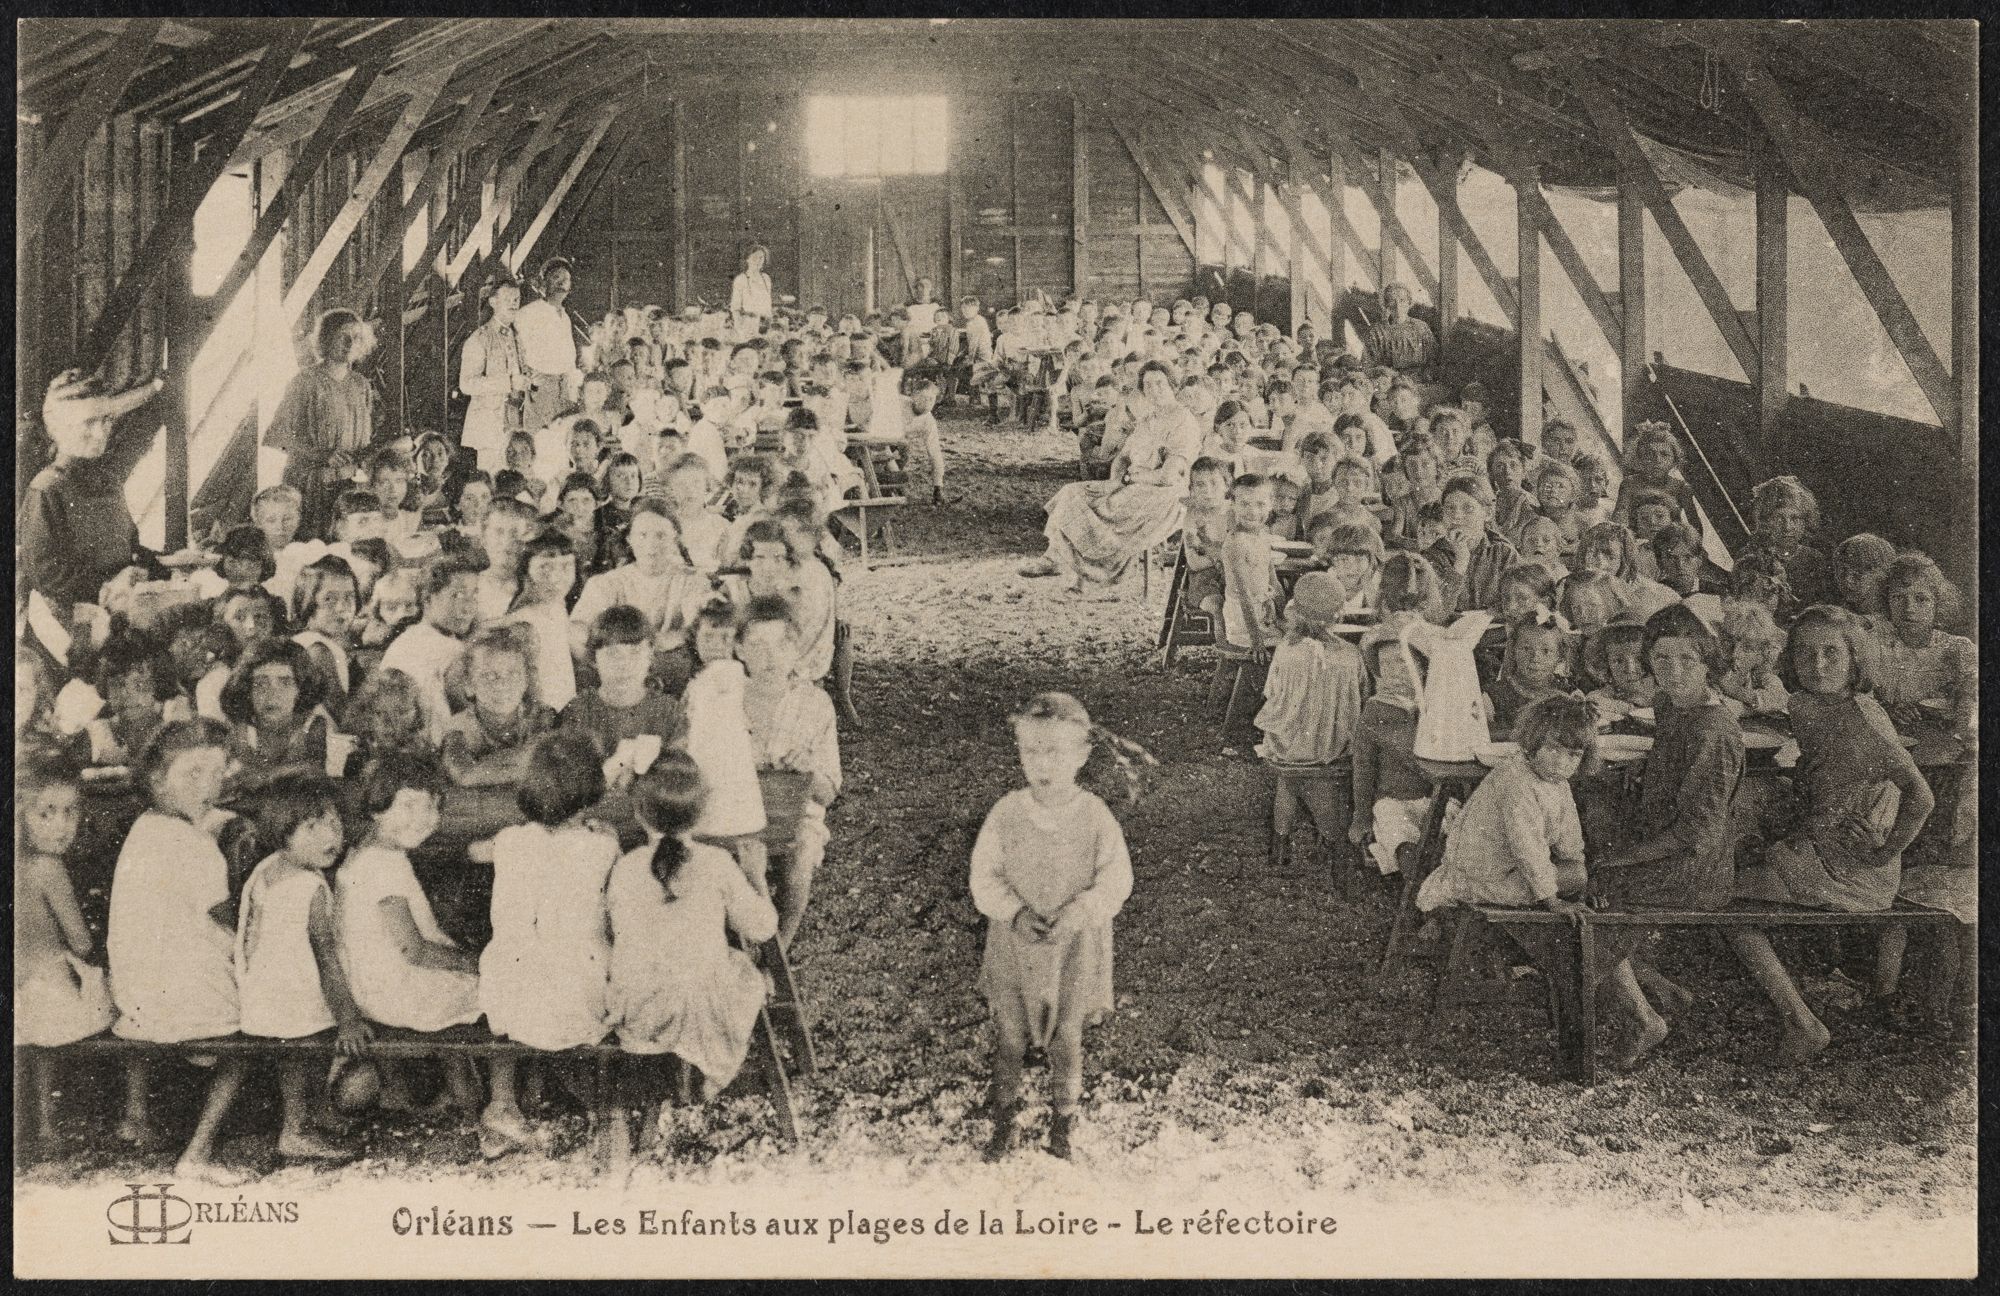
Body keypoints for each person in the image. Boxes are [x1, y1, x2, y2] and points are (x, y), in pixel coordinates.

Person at [972, 693, 1138, 1161]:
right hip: (1015, 942)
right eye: (1031, 751)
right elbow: (984, 875)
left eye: (1055, 752)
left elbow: (1116, 879)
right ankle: (1003, 1118)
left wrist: (1080, 911)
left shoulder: (1095, 816)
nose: (1042, 763)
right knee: (1008, 1035)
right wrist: (1014, 912)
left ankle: (1063, 1119)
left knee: (1067, 1034)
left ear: (1082, 754)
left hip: (1073, 944)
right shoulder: (1006, 813)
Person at [108, 719, 252, 1183]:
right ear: (156, 779)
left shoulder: (145, 828)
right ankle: (199, 1151)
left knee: (157, 976)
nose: (209, 785)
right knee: (252, 1036)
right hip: (186, 997)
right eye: (193, 773)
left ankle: (134, 1116)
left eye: (216, 772)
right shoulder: (196, 849)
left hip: (133, 993)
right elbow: (224, 916)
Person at [607, 756, 777, 1150]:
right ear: (703, 816)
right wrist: (756, 874)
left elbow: (616, 933)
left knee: (670, 966)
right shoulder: (717, 863)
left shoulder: (626, 866)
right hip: (706, 1012)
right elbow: (763, 928)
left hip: (641, 1011)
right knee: (740, 968)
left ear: (639, 813)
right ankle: (698, 1073)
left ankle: (665, 1079)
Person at [1737, 606, 1933, 926]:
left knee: (1718, 889)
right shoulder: (1801, 702)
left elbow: (1922, 798)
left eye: (1831, 652)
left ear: (1854, 657)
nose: (1817, 665)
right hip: (1817, 837)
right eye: (1804, 653)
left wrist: (1881, 854)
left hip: (1854, 867)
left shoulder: (1865, 720)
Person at [469, 732, 618, 1153]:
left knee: (508, 967)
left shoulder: (510, 841)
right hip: (580, 1002)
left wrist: (513, 835)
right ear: (591, 794)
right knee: (583, 954)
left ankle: (501, 1102)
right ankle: (601, 1103)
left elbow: (474, 852)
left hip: (510, 1002)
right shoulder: (603, 844)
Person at [336, 752, 483, 1112]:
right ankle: (473, 1094)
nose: (425, 819)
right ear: (376, 807)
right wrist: (475, 963)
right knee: (492, 986)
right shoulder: (382, 867)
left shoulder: (369, 852)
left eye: (432, 807)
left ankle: (416, 1089)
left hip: (370, 985)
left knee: (459, 976)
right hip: (392, 991)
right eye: (409, 806)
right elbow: (413, 950)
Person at [234, 774, 369, 1161]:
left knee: (304, 1049)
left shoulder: (268, 867)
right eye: (312, 827)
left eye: (334, 824)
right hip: (289, 1004)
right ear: (282, 831)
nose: (329, 837)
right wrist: (348, 1019)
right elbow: (326, 956)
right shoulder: (309, 888)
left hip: (261, 995)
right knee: (306, 1047)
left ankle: (315, 1114)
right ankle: (295, 1130)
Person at [18, 368, 167, 668]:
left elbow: (129, 547)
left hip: (116, 612)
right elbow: (46, 573)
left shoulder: (108, 482)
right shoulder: (46, 489)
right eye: (89, 422)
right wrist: (107, 586)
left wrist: (155, 569)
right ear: (57, 428)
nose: (101, 432)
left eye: (106, 419)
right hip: (68, 628)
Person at [1020, 360, 1204, 593]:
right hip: (1133, 483)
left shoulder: (1183, 421)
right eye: (1148, 385)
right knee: (1073, 492)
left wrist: (1130, 480)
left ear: (1173, 386)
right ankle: (1055, 557)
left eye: (1160, 384)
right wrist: (1113, 482)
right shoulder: (1149, 419)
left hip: (1166, 494)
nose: (1154, 390)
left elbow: (1168, 476)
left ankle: (1087, 575)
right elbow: (1123, 458)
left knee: (1108, 506)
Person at [16, 756, 116, 1140]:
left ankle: (44, 1124)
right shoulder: (48, 869)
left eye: (70, 812)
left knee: (39, 1048)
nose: (61, 826)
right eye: (46, 814)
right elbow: (80, 940)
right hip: (53, 995)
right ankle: (93, 1112)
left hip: (22, 992)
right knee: (110, 995)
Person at [738, 597, 841, 948]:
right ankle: (743, 939)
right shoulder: (726, 697)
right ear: (739, 649)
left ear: (796, 649)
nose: (770, 657)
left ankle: (778, 947)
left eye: (782, 644)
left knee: (802, 849)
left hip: (796, 815)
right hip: (738, 812)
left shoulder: (814, 703)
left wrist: (807, 770)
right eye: (757, 645)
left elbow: (828, 792)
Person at [1254, 571, 1365, 859]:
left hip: (1289, 743)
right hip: (1332, 743)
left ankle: (1281, 844)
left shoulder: (1286, 651)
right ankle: (1331, 841)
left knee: (1289, 780)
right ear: (1338, 615)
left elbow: (1271, 694)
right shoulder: (1351, 654)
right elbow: (1360, 697)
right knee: (1321, 782)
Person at [264, 310, 377, 540]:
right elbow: (276, 437)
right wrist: (321, 455)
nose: (349, 343)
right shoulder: (305, 382)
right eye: (342, 336)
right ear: (326, 339)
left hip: (348, 485)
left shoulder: (361, 385)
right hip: (311, 485)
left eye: (356, 337)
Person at [380, 550, 486, 744]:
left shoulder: (409, 636)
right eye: (458, 595)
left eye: (474, 594)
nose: (469, 605)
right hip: (436, 747)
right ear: (428, 599)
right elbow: (470, 720)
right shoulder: (450, 650)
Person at [442, 623, 559, 788]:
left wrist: (488, 768)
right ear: (469, 685)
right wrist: (525, 761)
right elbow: (464, 776)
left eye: (513, 674)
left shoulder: (541, 716)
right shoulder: (458, 729)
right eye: (490, 676)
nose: (503, 685)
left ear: (526, 680)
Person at [459, 278, 530, 473]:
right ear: (493, 302)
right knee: (492, 479)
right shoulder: (480, 338)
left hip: (515, 422)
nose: (514, 303)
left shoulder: (517, 336)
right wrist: (508, 382)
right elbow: (466, 384)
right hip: (490, 426)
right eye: (508, 298)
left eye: (517, 298)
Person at [1427, 473, 1520, 615]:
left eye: (1468, 508)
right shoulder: (1432, 556)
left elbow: (1519, 602)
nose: (1457, 516)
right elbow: (1435, 612)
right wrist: (1461, 562)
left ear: (1487, 513)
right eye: (1450, 508)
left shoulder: (1503, 552)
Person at [516, 258, 586, 435]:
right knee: (539, 436)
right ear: (544, 282)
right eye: (556, 277)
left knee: (561, 436)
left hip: (565, 387)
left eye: (566, 279)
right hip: (541, 386)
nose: (562, 283)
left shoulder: (564, 316)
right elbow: (519, 350)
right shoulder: (529, 313)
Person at [1739, 476, 1832, 609]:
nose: (1787, 527)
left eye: (1795, 519)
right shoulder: (1750, 556)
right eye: (1779, 518)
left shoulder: (1814, 559)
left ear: (1805, 521)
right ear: (1765, 520)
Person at [1718, 602, 1791, 716]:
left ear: (1761, 655)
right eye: (1728, 643)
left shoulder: (1759, 676)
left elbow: (1781, 698)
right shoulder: (1712, 670)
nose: (1735, 653)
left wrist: (1734, 691)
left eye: (1748, 648)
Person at [729, 245, 775, 338]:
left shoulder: (766, 278)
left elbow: (768, 305)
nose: (758, 261)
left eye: (761, 258)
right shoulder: (741, 279)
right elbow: (735, 308)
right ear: (747, 259)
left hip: (765, 324)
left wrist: (769, 322)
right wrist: (739, 330)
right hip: (748, 325)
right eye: (755, 257)